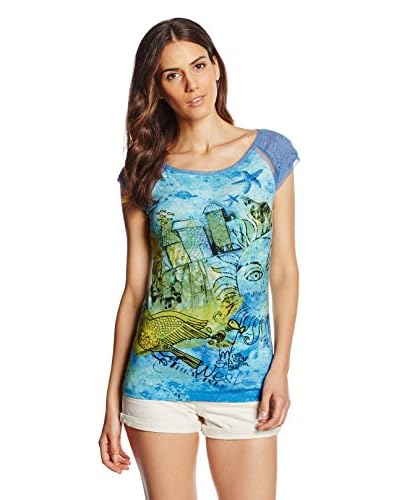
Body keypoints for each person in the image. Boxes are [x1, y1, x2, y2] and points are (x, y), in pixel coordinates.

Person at [98, 17, 300, 500]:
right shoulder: (144, 171)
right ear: (157, 88)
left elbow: (283, 271)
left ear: (216, 67)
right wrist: (110, 401)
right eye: (173, 74)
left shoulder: (269, 154)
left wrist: (280, 368)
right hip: (156, 384)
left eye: (198, 66)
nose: (191, 84)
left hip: (247, 383)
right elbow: (135, 291)